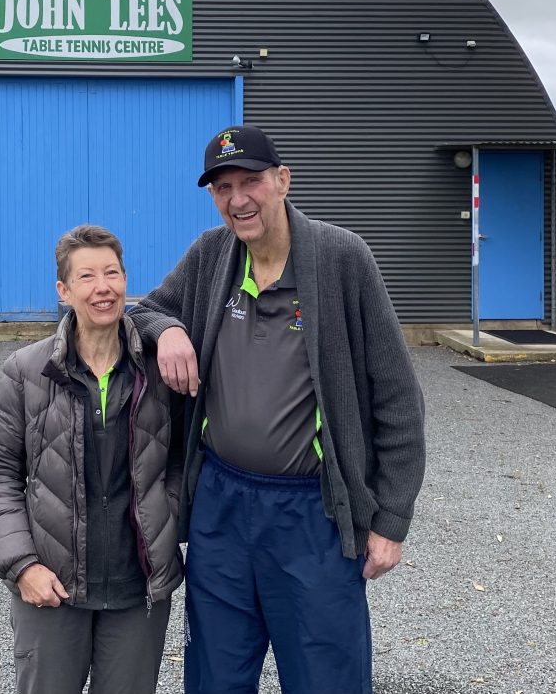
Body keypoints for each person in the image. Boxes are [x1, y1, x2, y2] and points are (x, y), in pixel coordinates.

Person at [131, 125, 426, 694]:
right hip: (220, 507)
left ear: (283, 181)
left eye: (251, 181)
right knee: (215, 673)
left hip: (311, 513)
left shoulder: (342, 258)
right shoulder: (211, 255)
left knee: (326, 674)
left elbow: (397, 397)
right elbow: (145, 311)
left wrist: (390, 519)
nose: (238, 199)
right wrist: (167, 329)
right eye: (222, 188)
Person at [0, 225, 183, 694]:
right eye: (86, 277)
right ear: (64, 290)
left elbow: (183, 459)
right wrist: (22, 565)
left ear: (126, 281)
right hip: (52, 589)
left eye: (112, 273)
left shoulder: (158, 369)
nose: (102, 288)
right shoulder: (28, 371)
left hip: (136, 590)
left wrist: (169, 519)